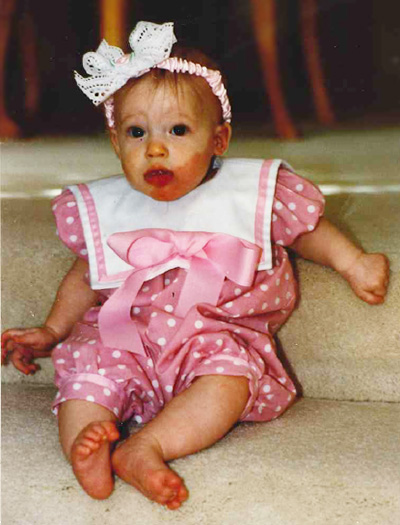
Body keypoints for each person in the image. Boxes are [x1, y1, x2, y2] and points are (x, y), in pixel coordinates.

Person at [1, 21, 390, 510]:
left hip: (213, 338)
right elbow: (87, 273)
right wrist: (53, 329)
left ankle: (149, 447)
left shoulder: (249, 194)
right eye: (136, 132)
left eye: (178, 130)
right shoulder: (109, 207)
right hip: (125, 337)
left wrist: (353, 262)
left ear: (219, 139)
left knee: (228, 379)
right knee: (87, 375)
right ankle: (87, 445)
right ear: (116, 144)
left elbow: (306, 231)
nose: (155, 148)